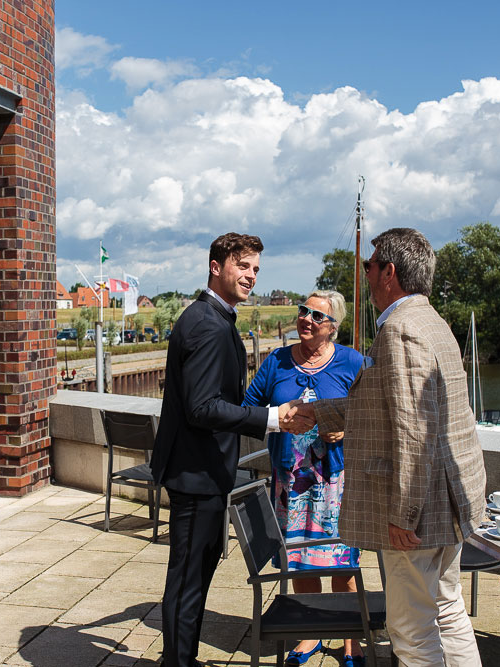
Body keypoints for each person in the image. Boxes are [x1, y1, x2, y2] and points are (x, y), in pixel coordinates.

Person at [289, 228, 486, 666]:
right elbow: (385, 404)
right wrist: (319, 413)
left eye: (369, 264)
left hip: (419, 513)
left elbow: (414, 428)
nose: (366, 272)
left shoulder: (400, 330)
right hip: (451, 504)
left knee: (411, 631)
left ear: (389, 273)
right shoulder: (433, 322)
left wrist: (404, 514)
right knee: (448, 610)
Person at [151, 232, 309, 667]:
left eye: (256, 269)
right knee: (187, 583)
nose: (251, 276)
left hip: (200, 473)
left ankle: (179, 659)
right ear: (216, 267)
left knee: (194, 580)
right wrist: (271, 418)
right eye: (243, 266)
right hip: (196, 475)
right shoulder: (206, 323)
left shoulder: (212, 318)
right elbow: (203, 408)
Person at [243, 290, 366, 667]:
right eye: (303, 311)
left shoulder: (353, 362)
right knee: (298, 560)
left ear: (332, 326)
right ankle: (310, 631)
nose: (306, 319)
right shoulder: (277, 361)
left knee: (341, 562)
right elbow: (248, 407)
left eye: (317, 315)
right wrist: (277, 414)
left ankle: (350, 637)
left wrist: (346, 430)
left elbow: (378, 410)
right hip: (290, 483)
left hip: (335, 483)